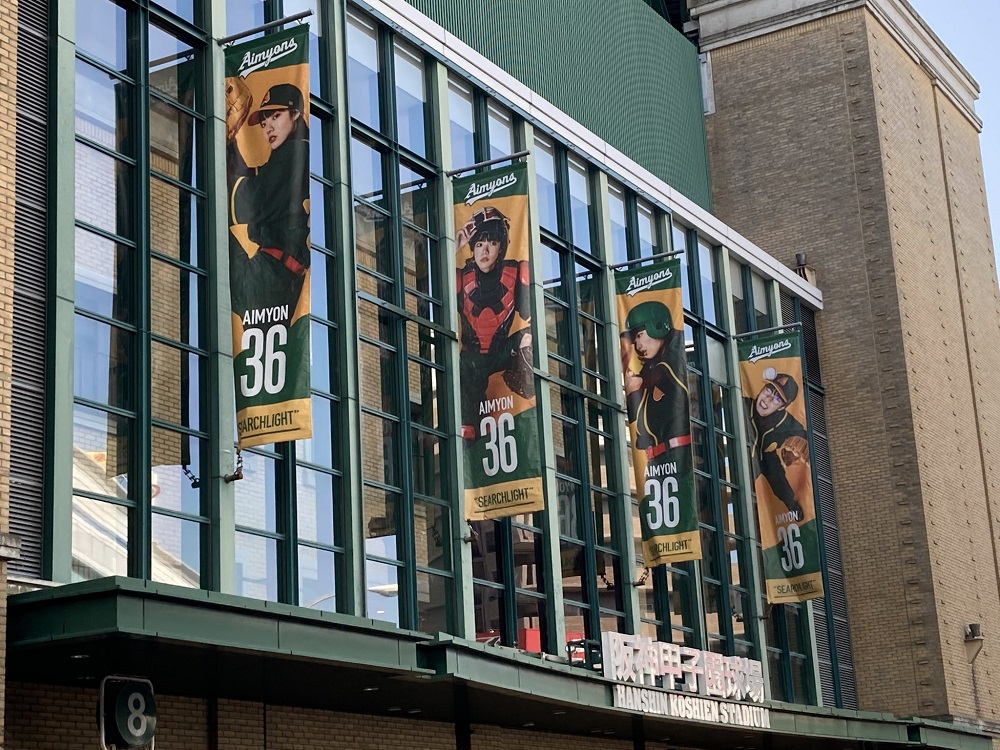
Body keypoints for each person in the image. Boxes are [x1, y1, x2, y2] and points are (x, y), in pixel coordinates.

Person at [226, 80, 311, 316]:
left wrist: (229, 142)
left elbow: (246, 202)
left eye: (275, 116)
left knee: (212, 223)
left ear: (295, 114)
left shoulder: (293, 153)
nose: (268, 128)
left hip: (272, 275)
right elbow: (257, 183)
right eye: (264, 123)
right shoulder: (293, 154)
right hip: (282, 276)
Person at [455, 206, 534, 439]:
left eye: (491, 242)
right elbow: (432, 295)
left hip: (502, 351)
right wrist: (455, 242)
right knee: (465, 366)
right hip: (473, 359)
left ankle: (531, 399)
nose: (485, 250)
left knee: (532, 337)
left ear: (501, 246)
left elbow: (533, 316)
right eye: (479, 243)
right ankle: (469, 425)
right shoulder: (461, 278)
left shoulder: (516, 273)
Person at [620, 301, 691, 460]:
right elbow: (634, 418)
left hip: (679, 460)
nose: (638, 345)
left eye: (639, 335)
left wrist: (639, 382)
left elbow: (665, 375)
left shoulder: (674, 346)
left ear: (656, 326)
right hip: (657, 465)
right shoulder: (649, 366)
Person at [748, 368, 809, 520]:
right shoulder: (739, 403)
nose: (767, 399)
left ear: (782, 407)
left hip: (755, 474)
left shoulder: (786, 424)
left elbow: (774, 471)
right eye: (769, 390)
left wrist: (791, 504)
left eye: (777, 399)